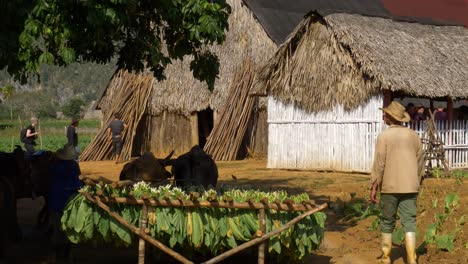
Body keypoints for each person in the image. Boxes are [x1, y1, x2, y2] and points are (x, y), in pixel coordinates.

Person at [370, 101, 424, 264]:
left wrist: (373, 185)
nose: (383, 115)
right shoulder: (414, 136)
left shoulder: (384, 136)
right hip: (410, 186)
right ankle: (412, 259)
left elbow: (379, 163)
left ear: (389, 117)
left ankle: (386, 258)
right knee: (409, 222)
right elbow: (420, 161)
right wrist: (418, 180)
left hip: (389, 186)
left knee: (387, 221)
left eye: (385, 114)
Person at [48, 144, 83, 263]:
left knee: (57, 229)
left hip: (55, 201)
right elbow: (78, 184)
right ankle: (69, 255)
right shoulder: (74, 166)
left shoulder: (54, 166)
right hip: (69, 202)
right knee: (69, 228)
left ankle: (56, 256)